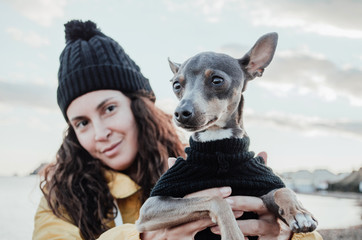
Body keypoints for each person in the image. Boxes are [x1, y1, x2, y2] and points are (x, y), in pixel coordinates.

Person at [32, 20, 322, 240]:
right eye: (81, 122)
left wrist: (290, 233)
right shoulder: (61, 199)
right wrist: (143, 237)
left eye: (109, 109)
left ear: (140, 106)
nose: (99, 132)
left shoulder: (186, 160)